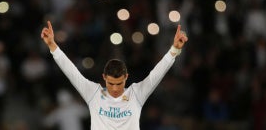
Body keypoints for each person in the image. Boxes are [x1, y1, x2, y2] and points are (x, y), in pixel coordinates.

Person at [40, 20, 188, 130]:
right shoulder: (93, 93)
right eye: (111, 83)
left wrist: (174, 49)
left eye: (119, 83)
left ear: (126, 78)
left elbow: (157, 74)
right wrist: (52, 45)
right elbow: (71, 71)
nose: (115, 88)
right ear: (104, 77)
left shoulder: (136, 93)